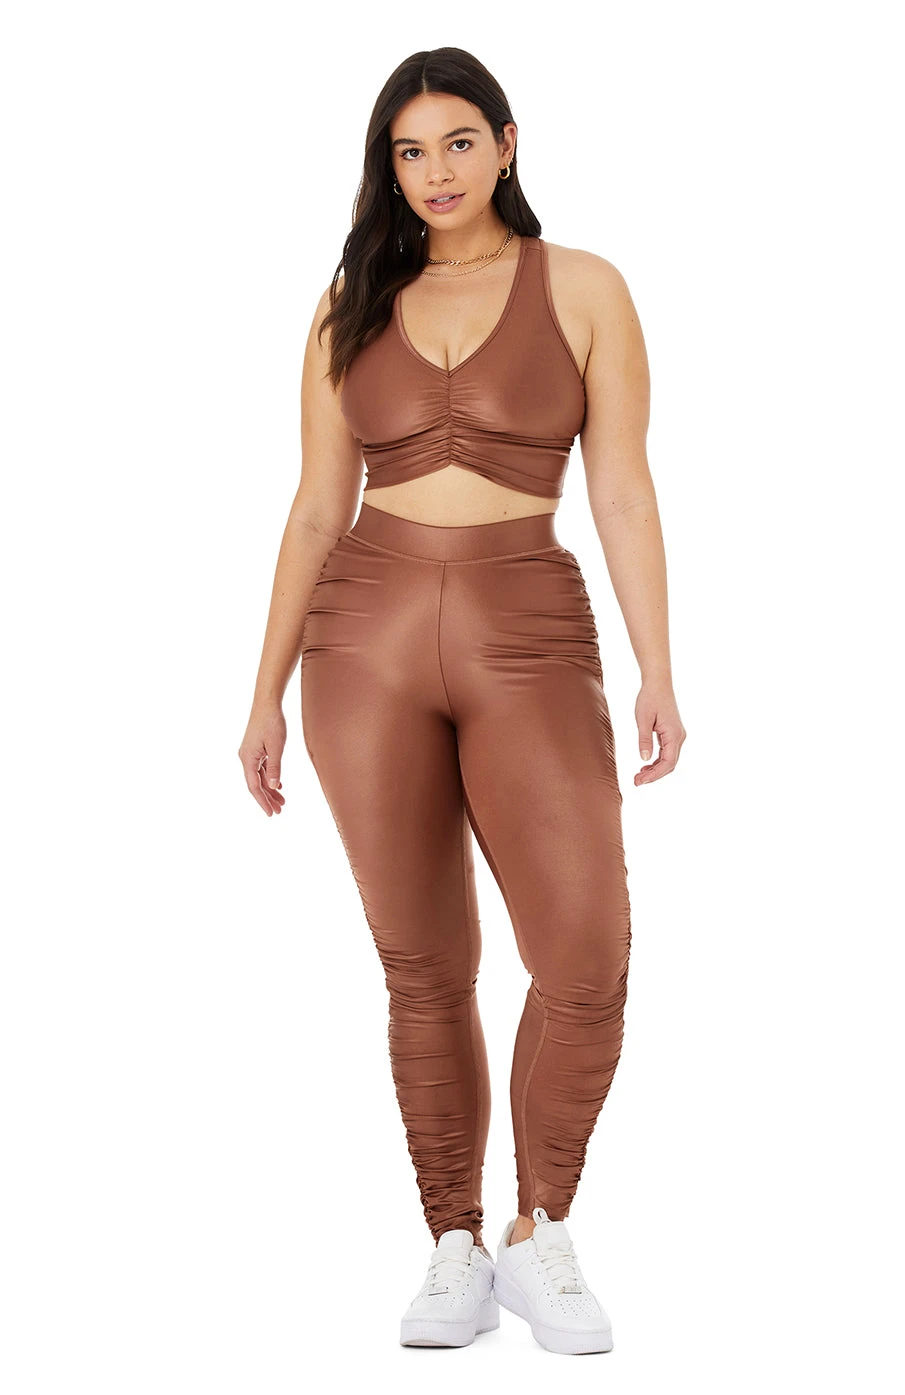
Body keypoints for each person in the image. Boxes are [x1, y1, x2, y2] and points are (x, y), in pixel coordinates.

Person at [238, 47, 686, 1356]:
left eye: (455, 143)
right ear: (387, 169)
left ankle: (540, 1231)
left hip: (527, 628)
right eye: (407, 151)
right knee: (424, 963)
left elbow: (621, 489)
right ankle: (453, 1239)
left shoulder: (583, 288)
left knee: (585, 955)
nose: (433, 172)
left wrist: (657, 666)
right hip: (363, 638)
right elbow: (316, 505)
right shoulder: (351, 300)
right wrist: (261, 693)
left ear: (506, 142)